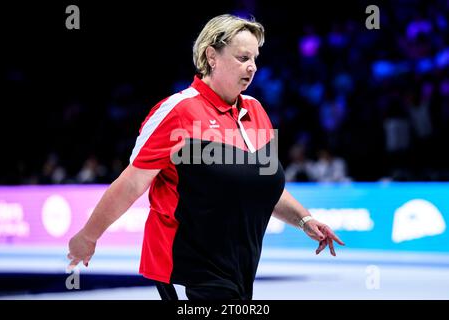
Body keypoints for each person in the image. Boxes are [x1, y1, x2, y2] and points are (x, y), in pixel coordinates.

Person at [67, 14, 344, 300]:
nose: (252, 67)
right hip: (186, 270)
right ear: (212, 56)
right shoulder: (177, 111)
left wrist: (304, 219)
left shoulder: (256, 111)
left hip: (238, 270)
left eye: (255, 58)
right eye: (242, 57)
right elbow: (131, 184)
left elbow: (264, 185)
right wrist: (89, 236)